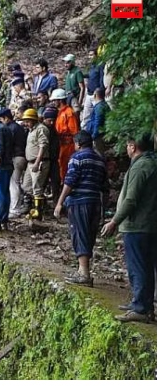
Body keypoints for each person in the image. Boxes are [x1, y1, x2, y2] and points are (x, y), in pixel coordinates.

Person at [101, 133, 156, 323]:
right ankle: (141, 304)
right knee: (147, 266)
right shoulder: (152, 163)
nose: (126, 148)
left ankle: (141, 307)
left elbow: (131, 199)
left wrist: (114, 221)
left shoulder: (141, 166)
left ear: (133, 146)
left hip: (137, 225)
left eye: (127, 145)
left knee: (138, 266)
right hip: (149, 223)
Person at [54, 131, 108, 287]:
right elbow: (105, 186)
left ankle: (84, 273)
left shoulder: (77, 158)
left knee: (79, 233)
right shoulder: (100, 160)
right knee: (89, 235)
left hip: (79, 201)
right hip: (95, 202)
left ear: (77, 144)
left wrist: (60, 202)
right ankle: (82, 269)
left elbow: (69, 182)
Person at [20, 109, 50, 220]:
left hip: (39, 162)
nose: (25, 123)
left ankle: (38, 212)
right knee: (26, 186)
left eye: (27, 121)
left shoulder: (41, 129)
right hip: (30, 163)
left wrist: (37, 162)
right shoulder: (31, 130)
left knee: (37, 186)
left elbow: (43, 145)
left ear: (33, 120)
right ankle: (31, 207)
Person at [0, 108, 28, 217]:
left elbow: (8, 145)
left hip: (16, 157)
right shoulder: (18, 127)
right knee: (18, 182)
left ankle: (15, 209)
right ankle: (18, 206)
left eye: (1, 119)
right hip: (22, 156)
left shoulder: (10, 128)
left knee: (14, 183)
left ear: (6, 118)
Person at [50, 88, 80, 183]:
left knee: (65, 164)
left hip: (68, 144)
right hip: (61, 143)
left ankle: (66, 184)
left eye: (55, 100)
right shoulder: (59, 112)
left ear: (60, 100)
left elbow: (74, 131)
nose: (53, 102)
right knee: (61, 164)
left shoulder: (69, 113)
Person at [42, 106, 62, 204]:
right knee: (42, 183)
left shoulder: (54, 130)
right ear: (44, 119)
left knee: (56, 182)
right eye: (49, 120)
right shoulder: (42, 130)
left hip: (54, 160)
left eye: (53, 120)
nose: (52, 123)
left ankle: (56, 203)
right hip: (45, 160)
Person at [82, 48, 105, 128]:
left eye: (91, 55)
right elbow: (90, 76)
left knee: (97, 115)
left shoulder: (100, 65)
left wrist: (100, 90)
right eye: (89, 55)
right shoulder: (91, 66)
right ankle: (84, 133)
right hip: (89, 93)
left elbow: (102, 78)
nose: (89, 57)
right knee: (86, 115)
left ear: (96, 55)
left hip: (97, 93)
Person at [85, 88, 109, 155]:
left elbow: (98, 122)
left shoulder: (99, 107)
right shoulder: (104, 105)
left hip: (99, 135)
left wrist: (94, 135)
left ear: (95, 95)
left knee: (100, 153)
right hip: (102, 133)